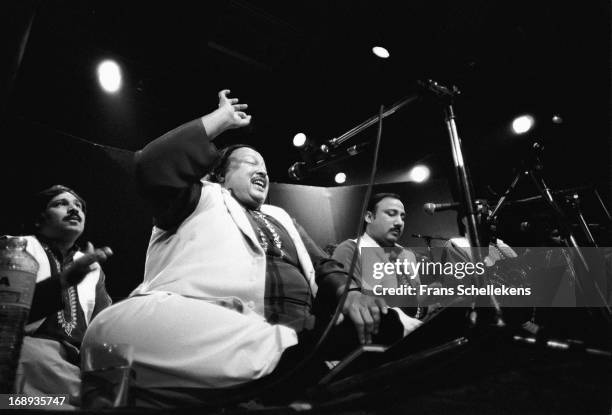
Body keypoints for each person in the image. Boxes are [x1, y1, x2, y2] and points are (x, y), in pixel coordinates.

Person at [83, 90, 407, 395]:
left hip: (298, 328)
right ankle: (296, 354)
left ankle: (296, 352)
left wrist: (348, 292)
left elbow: (324, 264)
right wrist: (220, 119)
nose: (262, 171)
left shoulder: (282, 217)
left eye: (265, 167)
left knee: (393, 318)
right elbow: (150, 164)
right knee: (109, 332)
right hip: (212, 324)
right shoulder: (197, 197)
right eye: (251, 163)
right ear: (218, 175)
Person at [8, 185, 113, 405]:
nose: (74, 210)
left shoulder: (93, 269)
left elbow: (103, 326)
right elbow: (6, 314)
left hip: (76, 362)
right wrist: (63, 281)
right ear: (39, 219)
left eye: (79, 206)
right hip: (30, 354)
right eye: (60, 204)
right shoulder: (15, 249)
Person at [332, 193, 424, 330]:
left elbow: (417, 302)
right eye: (391, 214)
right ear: (369, 217)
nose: (399, 222)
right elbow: (355, 306)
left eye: (402, 217)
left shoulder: (408, 255)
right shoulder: (350, 249)